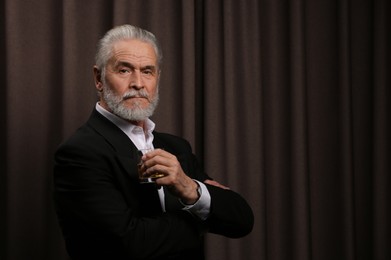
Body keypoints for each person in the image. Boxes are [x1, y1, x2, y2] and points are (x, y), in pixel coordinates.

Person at [53, 24, 254, 260]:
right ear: (99, 78)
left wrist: (191, 189)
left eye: (147, 71)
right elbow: (127, 244)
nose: (138, 83)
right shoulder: (80, 152)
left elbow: (242, 221)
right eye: (125, 70)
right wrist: (199, 217)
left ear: (157, 78)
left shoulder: (177, 147)